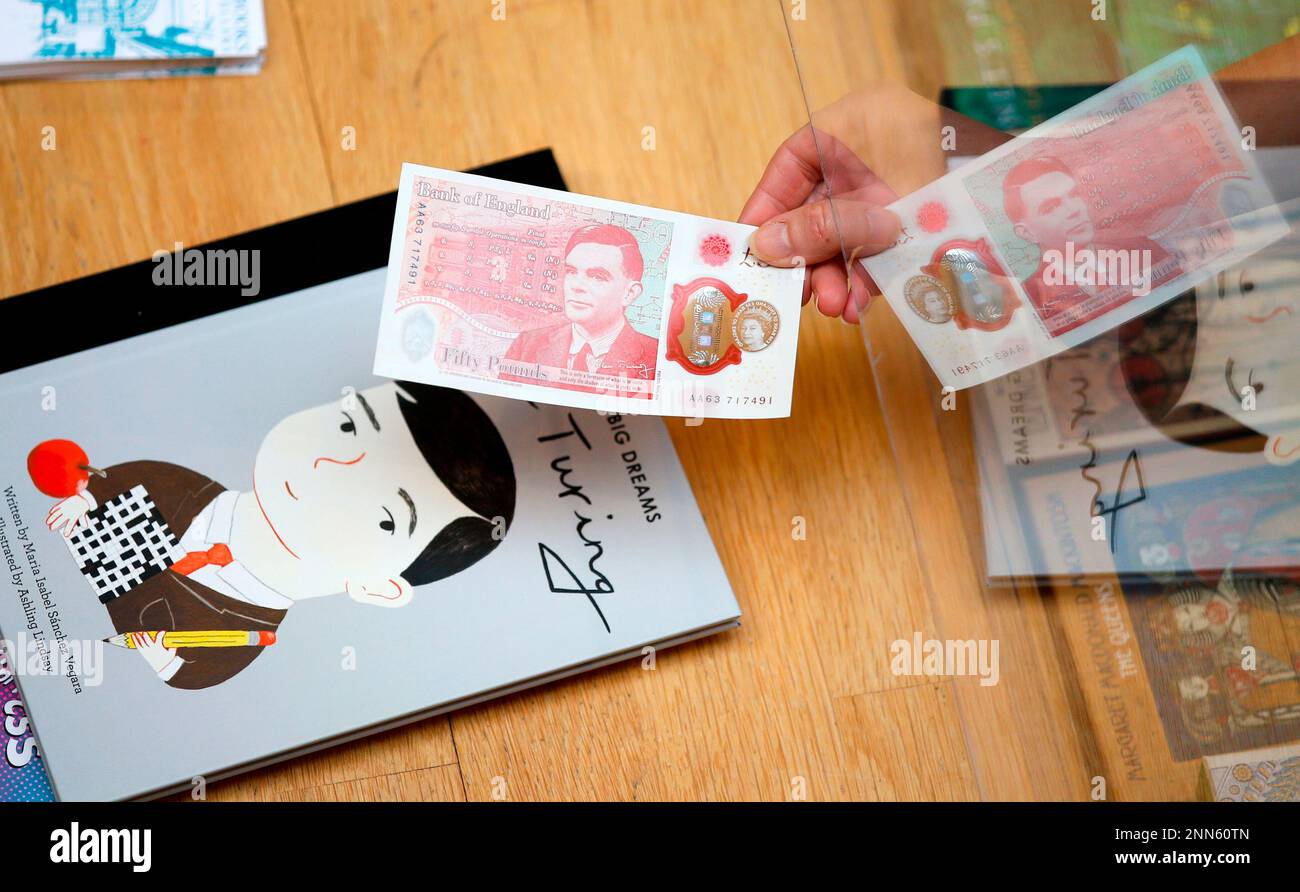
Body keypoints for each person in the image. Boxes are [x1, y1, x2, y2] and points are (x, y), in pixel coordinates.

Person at [42, 382, 516, 689]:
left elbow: (193, 674)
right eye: (349, 425)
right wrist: (87, 497)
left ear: (380, 586)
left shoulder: (241, 633)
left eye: (386, 516)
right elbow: (119, 482)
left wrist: (163, 659)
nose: (328, 469)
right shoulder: (180, 487)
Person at [502, 223, 658, 385]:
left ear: (629, 293)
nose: (576, 286)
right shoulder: (526, 345)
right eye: (571, 272)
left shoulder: (655, 358)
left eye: (597, 276)